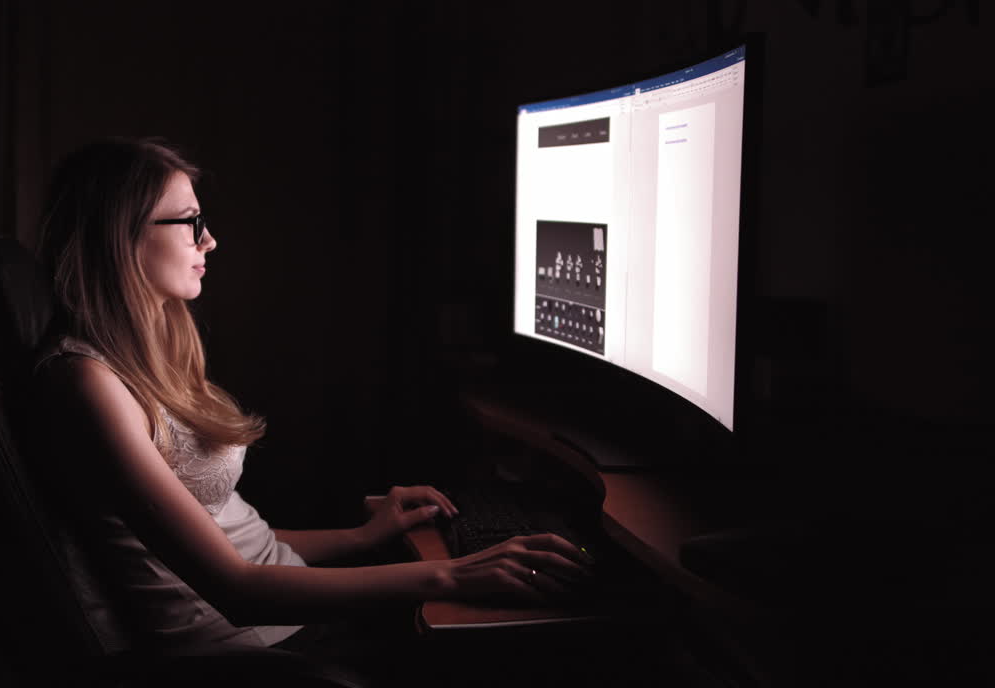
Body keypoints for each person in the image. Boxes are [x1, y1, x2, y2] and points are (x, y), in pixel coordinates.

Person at [29, 136, 594, 674]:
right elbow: (238, 591)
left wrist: (361, 538)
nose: (210, 241)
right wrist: (451, 575)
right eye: (191, 222)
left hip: (289, 615)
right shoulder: (89, 383)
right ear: (119, 235)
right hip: (255, 652)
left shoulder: (151, 351)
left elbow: (233, 534)